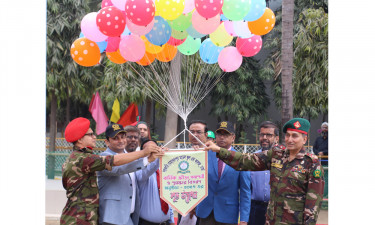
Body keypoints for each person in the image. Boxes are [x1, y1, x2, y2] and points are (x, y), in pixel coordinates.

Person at [205, 118, 325, 225]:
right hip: (271, 220)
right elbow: (247, 160)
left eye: (295, 136)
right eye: (287, 135)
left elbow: (313, 206)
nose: (290, 139)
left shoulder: (312, 164)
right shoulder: (277, 154)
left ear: (304, 139)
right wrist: (219, 150)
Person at [60, 117, 159, 225]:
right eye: (91, 134)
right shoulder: (83, 158)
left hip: (86, 216)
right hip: (79, 218)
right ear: (79, 139)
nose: (94, 137)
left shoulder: (79, 157)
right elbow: (114, 162)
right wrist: (144, 153)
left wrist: (150, 159)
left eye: (123, 137)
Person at [97, 123, 164, 225]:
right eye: (115, 138)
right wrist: (144, 154)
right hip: (112, 217)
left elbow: (141, 175)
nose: (121, 141)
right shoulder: (104, 157)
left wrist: (154, 158)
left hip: (128, 216)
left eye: (123, 137)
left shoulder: (129, 157)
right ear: (107, 142)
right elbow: (119, 168)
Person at [195, 121, 251, 225]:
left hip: (228, 214)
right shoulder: (204, 154)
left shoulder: (240, 159)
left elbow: (245, 192)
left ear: (233, 137)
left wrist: (244, 219)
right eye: (219, 134)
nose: (222, 137)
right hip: (205, 212)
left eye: (226, 134)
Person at [136, 139, 176, 225]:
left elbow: (167, 197)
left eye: (155, 149)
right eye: (149, 150)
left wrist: (171, 219)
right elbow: (149, 169)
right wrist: (157, 158)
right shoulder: (140, 171)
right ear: (142, 153)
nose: (152, 152)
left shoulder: (164, 171)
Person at [248, 121, 279, 225]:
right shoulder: (252, 158)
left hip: (277, 209)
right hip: (255, 209)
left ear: (277, 138)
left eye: (269, 135)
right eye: (262, 134)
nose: (264, 137)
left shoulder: (284, 158)